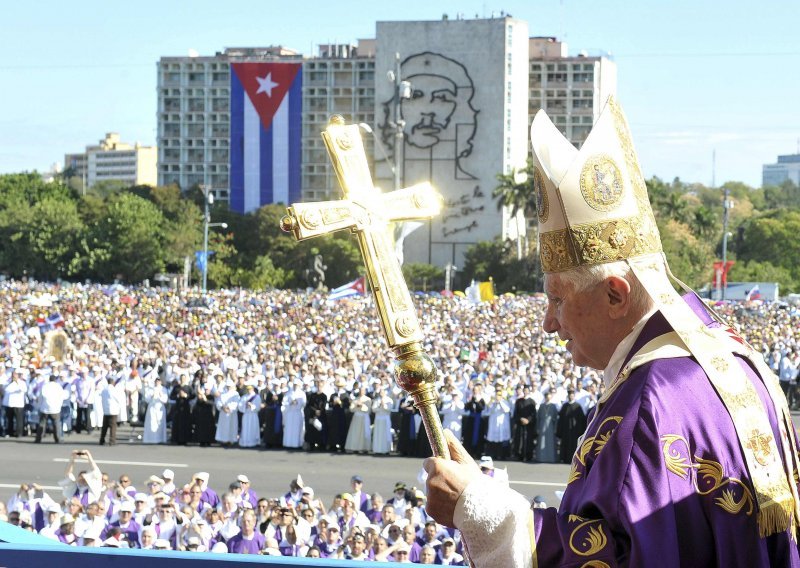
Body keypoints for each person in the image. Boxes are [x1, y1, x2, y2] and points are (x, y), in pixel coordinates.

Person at [422, 96, 800, 566]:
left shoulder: (649, 402)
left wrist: (477, 509)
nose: (548, 322)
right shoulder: (738, 358)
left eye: (557, 299)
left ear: (616, 296)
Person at [556, 387, 587, 464]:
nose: (571, 396)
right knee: (565, 444)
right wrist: (559, 431)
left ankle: (574, 459)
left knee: (573, 445)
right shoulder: (564, 406)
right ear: (568, 396)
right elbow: (561, 419)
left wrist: (580, 431)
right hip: (565, 430)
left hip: (574, 430)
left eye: (572, 395)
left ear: (574, 396)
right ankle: (564, 458)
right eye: (570, 395)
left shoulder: (578, 406)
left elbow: (581, 420)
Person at [35, 374, 64, 443]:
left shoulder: (45, 386)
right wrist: (59, 406)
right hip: (55, 408)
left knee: (42, 424)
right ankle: (58, 439)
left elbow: (40, 397)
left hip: (45, 408)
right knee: (56, 424)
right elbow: (61, 397)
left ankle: (38, 439)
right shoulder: (58, 387)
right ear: (55, 380)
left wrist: (39, 406)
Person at [98, 376, 124, 446]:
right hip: (113, 410)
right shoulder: (113, 390)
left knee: (105, 426)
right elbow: (118, 399)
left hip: (106, 410)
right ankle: (112, 440)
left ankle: (102, 440)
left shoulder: (104, 390)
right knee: (113, 426)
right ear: (113, 382)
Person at [142, 377, 168, 444]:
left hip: (159, 407)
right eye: (156, 381)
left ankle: (160, 439)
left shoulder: (163, 389)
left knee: (159, 423)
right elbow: (146, 399)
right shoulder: (151, 389)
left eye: (159, 381)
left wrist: (160, 395)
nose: (157, 382)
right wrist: (151, 396)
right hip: (152, 407)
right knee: (151, 422)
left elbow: (165, 400)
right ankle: (151, 439)